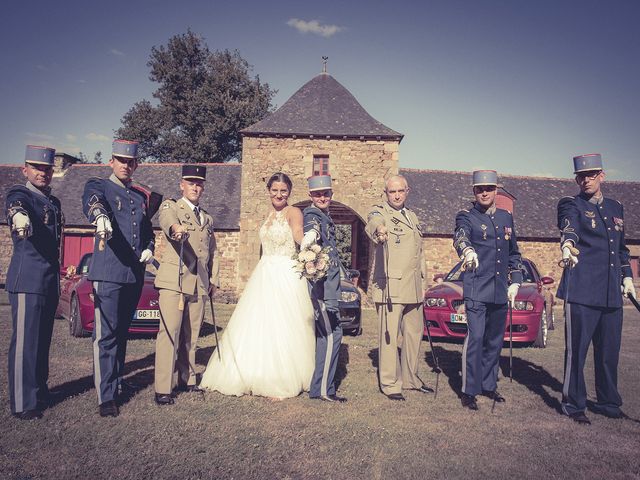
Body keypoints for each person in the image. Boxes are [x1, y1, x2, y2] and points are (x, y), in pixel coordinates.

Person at [200, 173, 315, 398]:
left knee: (283, 324)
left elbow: (298, 235)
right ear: (269, 191)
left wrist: (308, 241)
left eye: (283, 190)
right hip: (265, 273)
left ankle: (281, 377)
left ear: (289, 192)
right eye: (274, 190)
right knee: (259, 322)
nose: (279, 194)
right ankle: (253, 371)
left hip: (285, 274)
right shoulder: (269, 214)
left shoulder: (293, 212)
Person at [556, 153, 635, 424]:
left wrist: (627, 278)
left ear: (602, 175)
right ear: (576, 179)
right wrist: (567, 245)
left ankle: (608, 402)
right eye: (581, 176)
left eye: (591, 175)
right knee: (577, 352)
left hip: (611, 292)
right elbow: (569, 228)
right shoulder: (571, 204)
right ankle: (573, 404)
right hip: (582, 290)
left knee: (608, 352)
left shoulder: (616, 207)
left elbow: (621, 248)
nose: (586, 180)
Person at [82, 140, 156, 417]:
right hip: (109, 273)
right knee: (106, 336)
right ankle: (106, 396)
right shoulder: (99, 186)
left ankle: (116, 383)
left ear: (136, 164)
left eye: (130, 161)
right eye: (120, 160)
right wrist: (99, 216)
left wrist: (150, 247)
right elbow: (93, 204)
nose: (125, 165)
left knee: (122, 333)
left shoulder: (139, 196)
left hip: (133, 275)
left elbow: (147, 231)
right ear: (111, 161)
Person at [453, 170, 524, 410]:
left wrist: (515, 280)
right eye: (480, 189)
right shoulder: (466, 216)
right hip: (476, 289)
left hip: (499, 290)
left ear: (496, 191)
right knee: (476, 338)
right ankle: (469, 390)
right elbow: (460, 237)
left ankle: (488, 384)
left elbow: (514, 253)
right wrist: (467, 251)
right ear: (474, 191)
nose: (484, 192)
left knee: (495, 340)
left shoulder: (506, 217)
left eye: (489, 189)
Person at [153, 165, 219, 405]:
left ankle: (187, 379)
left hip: (199, 284)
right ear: (181, 184)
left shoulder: (207, 218)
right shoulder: (172, 206)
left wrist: (214, 279)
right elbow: (168, 221)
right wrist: (175, 229)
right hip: (175, 282)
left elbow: (212, 251)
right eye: (191, 182)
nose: (195, 187)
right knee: (170, 334)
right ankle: (162, 388)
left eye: (199, 183)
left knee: (191, 336)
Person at [6, 145, 63, 420]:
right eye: (37, 168)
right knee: (25, 343)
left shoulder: (54, 202)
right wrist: (19, 216)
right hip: (27, 279)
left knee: (41, 342)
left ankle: (39, 390)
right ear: (25, 169)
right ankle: (22, 402)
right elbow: (15, 205)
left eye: (47, 168)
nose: (43, 172)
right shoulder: (21, 194)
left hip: (48, 281)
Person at [364, 175, 432, 401]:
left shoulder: (412, 216)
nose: (396, 195)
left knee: (413, 335)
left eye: (400, 191)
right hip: (390, 286)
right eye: (391, 192)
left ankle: (411, 379)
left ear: (407, 191)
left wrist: (424, 281)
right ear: (386, 193)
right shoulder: (380, 212)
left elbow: (419, 253)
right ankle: (390, 383)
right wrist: (380, 230)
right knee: (390, 337)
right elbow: (373, 222)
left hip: (413, 286)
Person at [301, 175, 346, 402]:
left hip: (330, 288)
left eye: (326, 193)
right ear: (310, 196)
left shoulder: (325, 216)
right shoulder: (312, 215)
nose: (322, 197)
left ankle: (319, 387)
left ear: (331, 194)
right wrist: (310, 238)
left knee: (326, 336)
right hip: (322, 289)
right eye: (317, 194)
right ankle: (324, 391)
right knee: (331, 334)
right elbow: (312, 230)